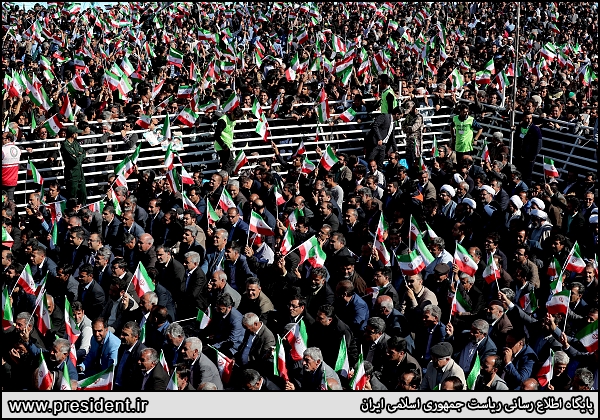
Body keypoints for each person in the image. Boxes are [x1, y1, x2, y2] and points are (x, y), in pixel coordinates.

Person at [60, 125, 87, 205]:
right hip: (71, 174)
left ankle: (83, 209)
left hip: (80, 173)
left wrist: (79, 156)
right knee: (72, 196)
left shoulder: (75, 143)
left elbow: (83, 152)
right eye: (76, 133)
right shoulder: (65, 145)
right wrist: (80, 156)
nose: (77, 134)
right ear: (72, 134)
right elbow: (74, 160)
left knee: (83, 194)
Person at [214, 107, 244, 174]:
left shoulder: (232, 119)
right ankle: (224, 178)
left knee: (227, 165)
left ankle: (224, 178)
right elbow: (216, 135)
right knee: (229, 165)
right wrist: (224, 146)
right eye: (236, 117)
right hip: (222, 147)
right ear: (232, 113)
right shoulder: (223, 121)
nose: (237, 119)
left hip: (227, 145)